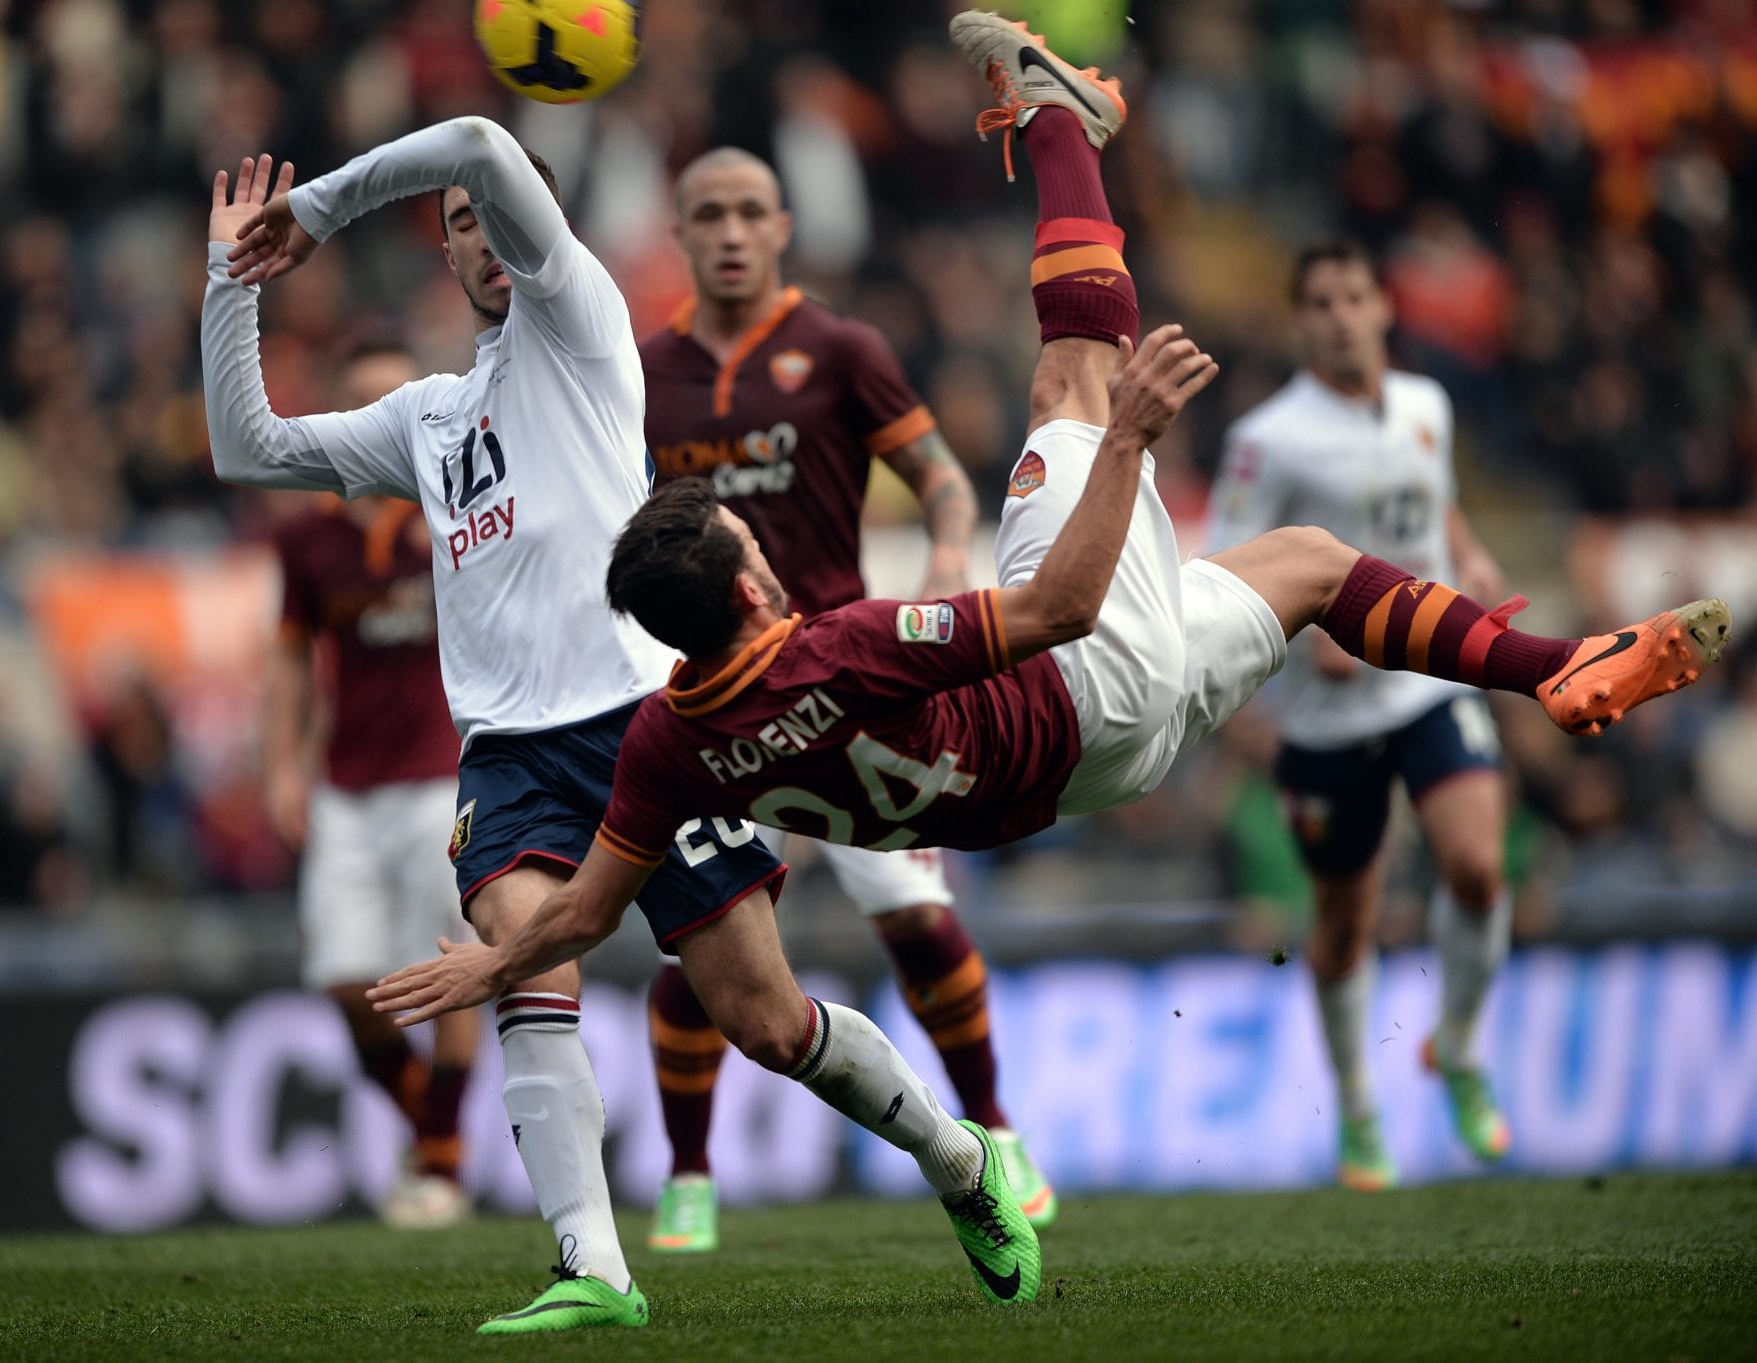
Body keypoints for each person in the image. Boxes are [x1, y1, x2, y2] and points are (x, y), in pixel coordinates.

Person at [367, 12, 1730, 1090]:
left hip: (1082, 774)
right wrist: (1130, 438)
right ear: (748, 582)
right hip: (1082, 685)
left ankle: (1554, 665)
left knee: (1313, 564)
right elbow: (1064, 603)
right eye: (748, 541)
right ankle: (1060, 115)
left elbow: (586, 909)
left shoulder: (661, 742)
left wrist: (483, 964)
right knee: (1076, 381)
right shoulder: (839, 637)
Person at [203, 122, 1040, 1328]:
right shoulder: (428, 420)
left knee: (764, 1019)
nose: (482, 237)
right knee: (524, 961)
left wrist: (321, 206)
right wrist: (233, 281)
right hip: (507, 753)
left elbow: (485, 142)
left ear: (537, 231)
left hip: (652, 723)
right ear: (443, 258)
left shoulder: (578, 320)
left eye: (495, 216)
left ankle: (953, 1159)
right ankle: (592, 1266)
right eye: (456, 227)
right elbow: (249, 445)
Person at [634, 146, 1051, 1252]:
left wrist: (950, 554)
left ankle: (996, 1128)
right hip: (715, 706)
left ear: (783, 228)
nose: (728, 231)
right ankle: (687, 1172)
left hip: (841, 688)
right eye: (706, 213)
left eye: (748, 212)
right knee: (708, 944)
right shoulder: (642, 371)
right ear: (679, 233)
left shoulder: (839, 349)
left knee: (916, 918)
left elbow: (942, 480)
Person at [1206, 243, 1516, 1191]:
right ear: (1301, 321)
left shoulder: (1428, 405)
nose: (1341, 316)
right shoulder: (1270, 437)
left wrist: (1474, 554)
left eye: (1354, 296)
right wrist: (1312, 635)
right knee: (1347, 922)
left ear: (1385, 305)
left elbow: (1440, 504)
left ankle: (1456, 1047)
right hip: (1328, 713)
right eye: (1321, 303)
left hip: (1428, 681)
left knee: (1477, 863)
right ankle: (1357, 1106)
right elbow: (1228, 566)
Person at [263, 340, 477, 1226]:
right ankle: (437, 1134)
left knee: (448, 972)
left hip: (442, 778)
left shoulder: (463, 510)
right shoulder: (307, 539)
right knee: (348, 985)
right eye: (359, 402)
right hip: (346, 783)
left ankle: (440, 1163)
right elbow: (288, 662)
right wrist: (280, 761)